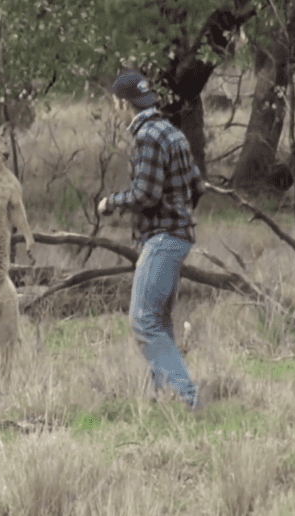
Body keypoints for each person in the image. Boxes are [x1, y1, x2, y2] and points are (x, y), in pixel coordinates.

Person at [97, 69, 206, 410]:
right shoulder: (172, 132)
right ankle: (162, 401)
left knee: (143, 320)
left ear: (122, 103)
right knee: (159, 321)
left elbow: (146, 194)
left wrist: (110, 203)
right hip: (179, 237)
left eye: (116, 104)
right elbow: (197, 186)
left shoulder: (146, 136)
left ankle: (188, 399)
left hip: (162, 239)